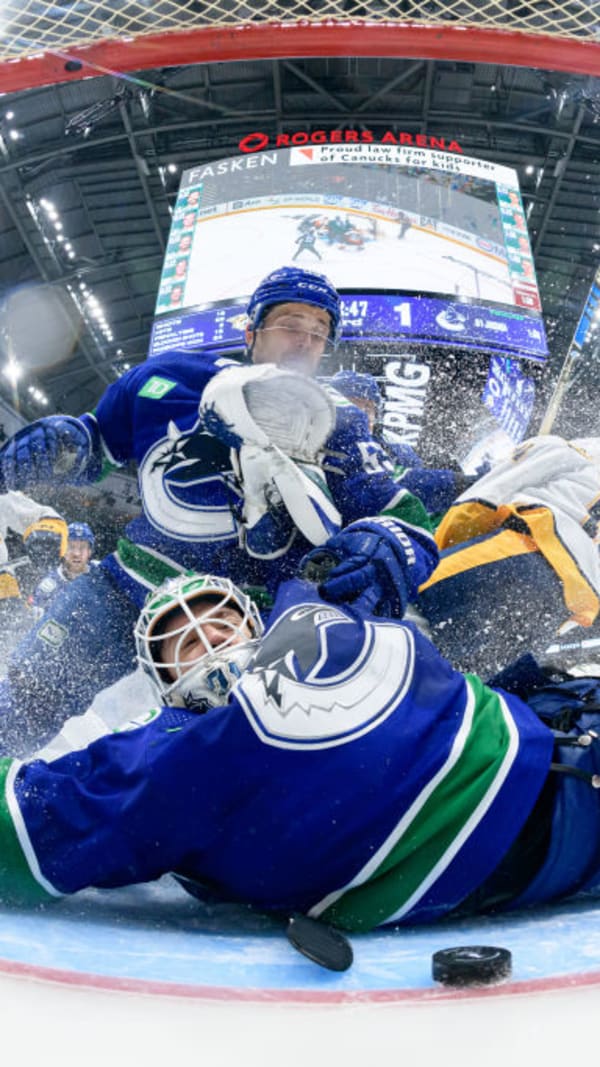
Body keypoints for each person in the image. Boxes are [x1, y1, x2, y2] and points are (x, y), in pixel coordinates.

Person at [1, 515, 600, 933]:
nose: (209, 639)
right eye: (183, 642)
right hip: (533, 831)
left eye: (220, 623)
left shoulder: (312, 609)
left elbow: (411, 540)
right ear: (164, 683)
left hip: (555, 727)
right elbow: (32, 820)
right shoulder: (163, 753)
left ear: (254, 624)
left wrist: (378, 543)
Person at [0, 266, 428, 754]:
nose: (305, 341)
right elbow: (101, 445)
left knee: (224, 762)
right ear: (251, 332)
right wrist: (69, 444)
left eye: (319, 332)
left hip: (240, 627)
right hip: (126, 586)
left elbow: (402, 515)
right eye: (291, 323)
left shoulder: (338, 420)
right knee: (26, 702)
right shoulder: (167, 377)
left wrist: (387, 541)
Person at [417, 435, 600, 679]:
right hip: (560, 613)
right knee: (444, 684)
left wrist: (441, 552)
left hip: (519, 556)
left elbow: (480, 501)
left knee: (398, 613)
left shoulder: (567, 450)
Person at [329, 369, 474, 523]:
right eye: (354, 406)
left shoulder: (393, 447)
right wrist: (457, 483)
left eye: (369, 408)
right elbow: (394, 484)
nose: (365, 415)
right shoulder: (333, 446)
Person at [30, 521, 96, 615]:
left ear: (89, 551)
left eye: (82, 548)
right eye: (71, 547)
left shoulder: (102, 574)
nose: (76, 554)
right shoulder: (47, 588)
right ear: (63, 550)